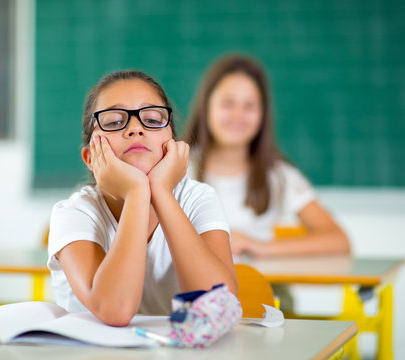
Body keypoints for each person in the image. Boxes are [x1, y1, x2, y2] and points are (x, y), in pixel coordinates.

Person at [47, 70, 238, 327]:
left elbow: (217, 304)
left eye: (151, 118)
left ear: (173, 143)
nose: (135, 128)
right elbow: (115, 310)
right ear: (91, 157)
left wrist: (161, 191)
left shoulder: (198, 198)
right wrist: (138, 191)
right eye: (114, 122)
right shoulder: (73, 213)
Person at [183, 54, 350, 259]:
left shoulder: (278, 175)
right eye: (227, 103)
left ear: (263, 114)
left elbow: (339, 241)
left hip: (257, 289)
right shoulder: (179, 168)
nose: (238, 115)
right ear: (206, 106)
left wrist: (259, 247)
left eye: (249, 106)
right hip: (191, 290)